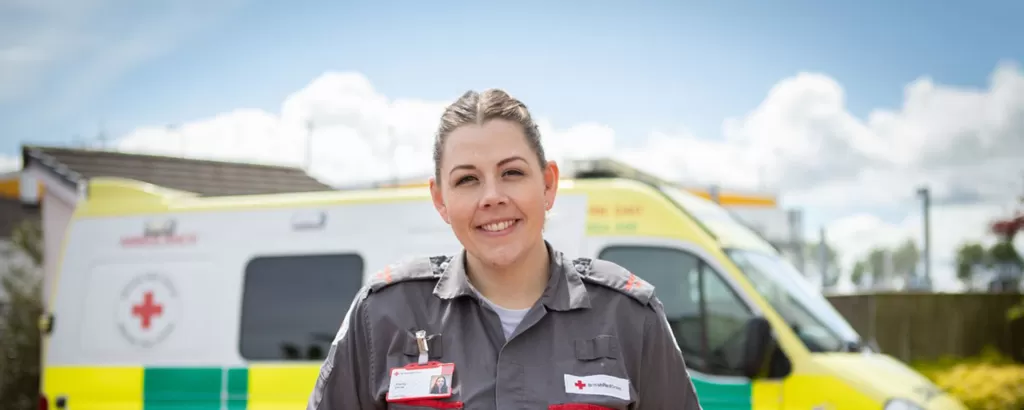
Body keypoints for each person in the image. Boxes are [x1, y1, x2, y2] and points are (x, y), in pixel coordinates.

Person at [306, 89, 703, 410]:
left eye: (512, 173)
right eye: (467, 180)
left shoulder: (631, 320)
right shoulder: (382, 316)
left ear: (547, 184)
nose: (492, 197)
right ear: (440, 199)